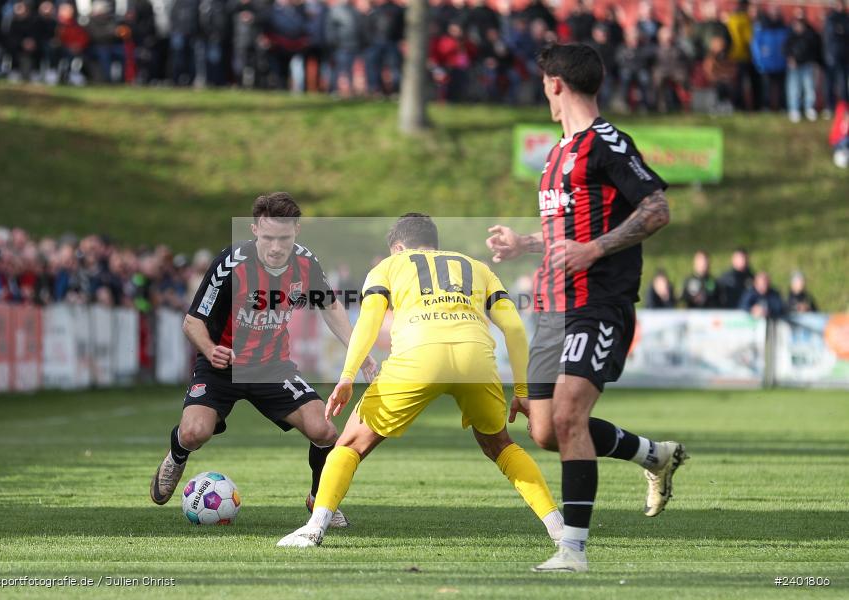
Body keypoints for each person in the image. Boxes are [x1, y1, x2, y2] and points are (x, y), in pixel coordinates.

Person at [484, 43, 687, 573]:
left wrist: (595, 251)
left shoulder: (607, 142)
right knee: (548, 430)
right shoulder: (556, 153)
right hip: (553, 307)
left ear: (555, 83)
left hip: (598, 300)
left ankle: (572, 551)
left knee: (572, 414)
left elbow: (657, 207)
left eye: (543, 83)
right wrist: (522, 245)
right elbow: (566, 232)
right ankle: (652, 455)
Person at [276, 213, 565, 548]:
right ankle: (558, 527)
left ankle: (314, 528)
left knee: (351, 444)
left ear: (398, 246)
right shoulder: (475, 266)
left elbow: (368, 322)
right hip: (475, 358)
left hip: (418, 357)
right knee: (500, 445)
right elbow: (514, 328)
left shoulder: (389, 266)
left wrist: (347, 376)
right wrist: (523, 391)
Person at [149, 193, 377, 530]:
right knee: (195, 432)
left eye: (283, 238)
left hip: (272, 367)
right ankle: (177, 456)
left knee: (325, 430)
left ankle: (319, 499)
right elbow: (192, 322)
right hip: (221, 365)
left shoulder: (306, 263)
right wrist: (210, 349)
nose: (275, 247)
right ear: (255, 230)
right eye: (268, 237)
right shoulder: (230, 263)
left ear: (296, 231)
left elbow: (330, 307)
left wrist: (361, 353)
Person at [784, 10, 822, 122]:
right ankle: (794, 109)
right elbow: (785, 49)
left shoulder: (810, 35)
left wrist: (814, 61)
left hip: (807, 65)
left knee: (809, 88)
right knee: (794, 88)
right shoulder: (790, 35)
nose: (799, 26)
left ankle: (809, 108)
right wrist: (790, 58)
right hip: (794, 66)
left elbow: (815, 49)